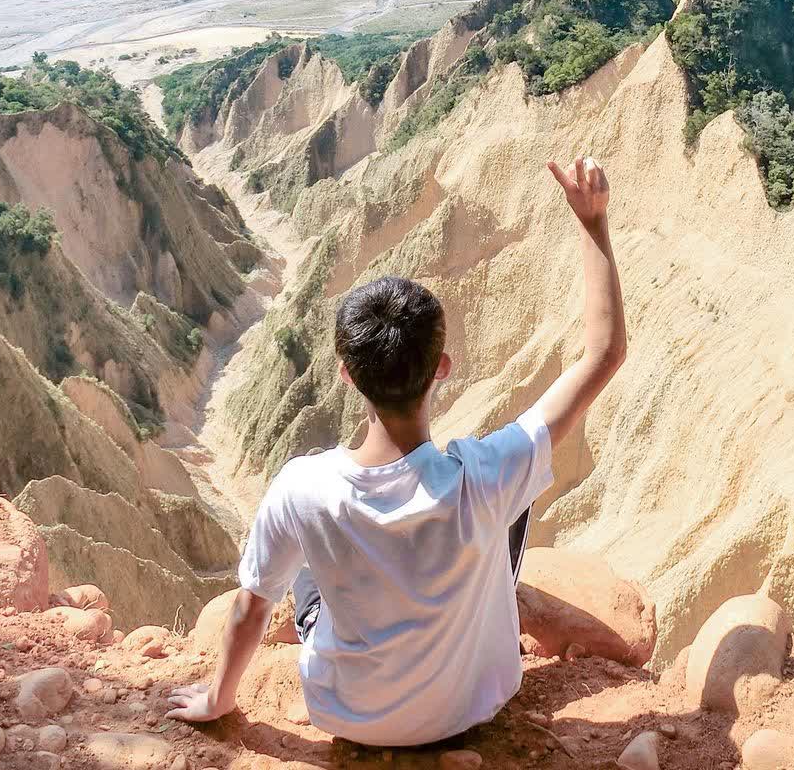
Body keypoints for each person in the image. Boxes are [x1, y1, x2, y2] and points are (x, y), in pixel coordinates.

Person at [167, 156, 626, 746]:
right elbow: (604, 353)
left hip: (351, 717)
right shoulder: (486, 472)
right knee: (513, 503)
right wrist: (593, 224)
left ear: (347, 376)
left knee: (306, 574)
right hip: (469, 710)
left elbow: (252, 609)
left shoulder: (303, 487)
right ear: (442, 369)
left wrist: (218, 698)